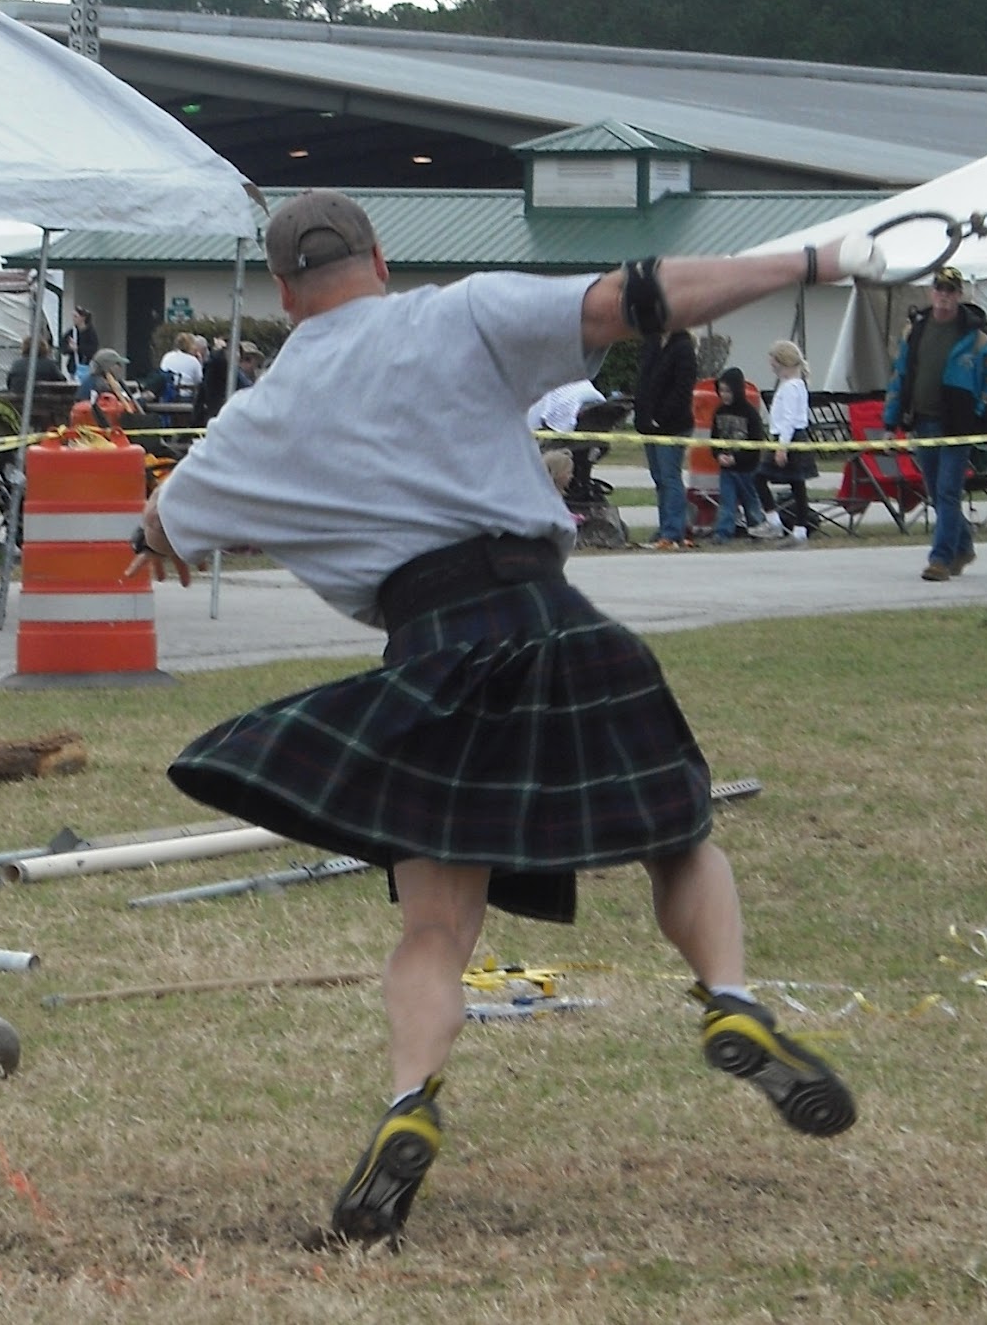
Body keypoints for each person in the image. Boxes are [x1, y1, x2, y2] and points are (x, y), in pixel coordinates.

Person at [130, 189, 880, 1245]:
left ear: (287, 295)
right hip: (552, 617)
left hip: (430, 654)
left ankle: (410, 1099)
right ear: (379, 258)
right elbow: (642, 297)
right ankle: (730, 998)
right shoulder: (459, 312)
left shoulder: (260, 414)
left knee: (436, 925)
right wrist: (810, 260)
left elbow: (166, 521)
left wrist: (154, 532)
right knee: (678, 834)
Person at [881, 266, 987, 580]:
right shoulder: (915, 330)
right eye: (940, 289)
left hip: (957, 428)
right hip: (923, 423)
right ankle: (963, 546)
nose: (944, 296)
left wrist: (979, 415)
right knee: (936, 493)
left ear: (959, 295)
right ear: (931, 292)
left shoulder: (977, 336)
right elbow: (899, 376)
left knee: (948, 492)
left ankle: (940, 559)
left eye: (951, 290)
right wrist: (891, 422)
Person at [633, 328, 698, 550]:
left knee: (670, 477)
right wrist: (643, 415)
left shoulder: (683, 348)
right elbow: (644, 382)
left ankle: (673, 531)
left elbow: (683, 389)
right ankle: (664, 528)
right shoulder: (652, 343)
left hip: (673, 425)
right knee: (659, 478)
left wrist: (661, 417)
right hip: (649, 425)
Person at [757, 340, 816, 544]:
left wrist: (782, 447)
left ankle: (774, 522)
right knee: (797, 485)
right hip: (788, 437)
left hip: (789, 437)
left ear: (783, 361)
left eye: (773, 362)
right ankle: (799, 530)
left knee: (760, 477)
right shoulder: (794, 384)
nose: (772, 367)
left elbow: (789, 419)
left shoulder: (791, 387)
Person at [709, 366, 767, 541]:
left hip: (747, 469)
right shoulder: (719, 412)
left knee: (751, 501)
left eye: (728, 391)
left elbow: (756, 444)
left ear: (737, 389)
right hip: (726, 468)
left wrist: (736, 458)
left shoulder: (750, 413)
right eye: (721, 391)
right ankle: (723, 532)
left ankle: (758, 528)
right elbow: (714, 439)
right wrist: (718, 455)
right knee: (727, 501)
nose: (724, 395)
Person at [157, 332, 205, 400]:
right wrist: (200, 362)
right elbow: (199, 381)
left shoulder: (167, 356)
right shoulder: (193, 361)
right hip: (186, 396)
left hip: (166, 395)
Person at [60, 307, 99, 383]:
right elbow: (63, 347)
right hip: (73, 367)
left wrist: (78, 348)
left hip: (87, 366)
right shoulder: (71, 332)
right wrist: (69, 348)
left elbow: (93, 350)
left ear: (83, 318)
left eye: (76, 316)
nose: (73, 319)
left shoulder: (91, 333)